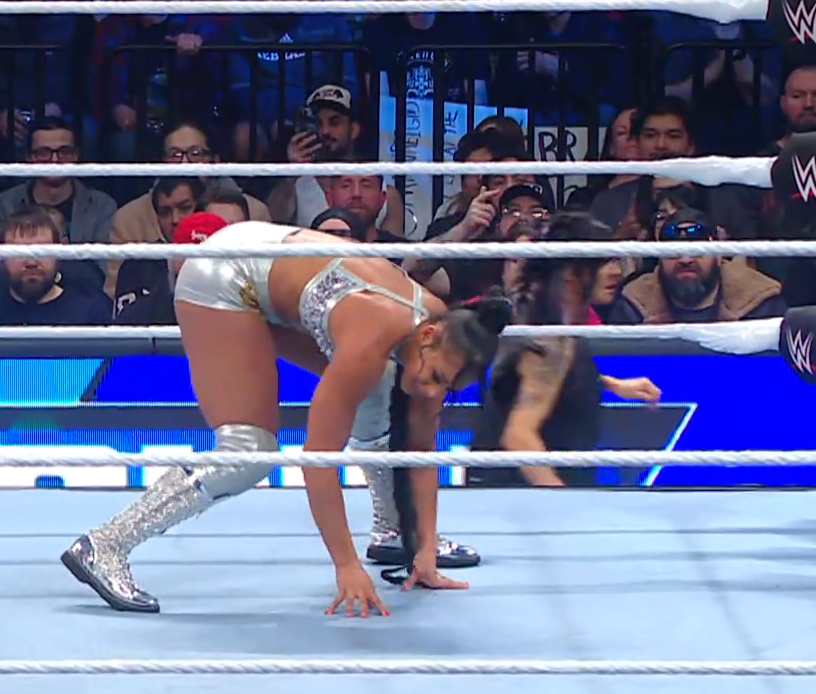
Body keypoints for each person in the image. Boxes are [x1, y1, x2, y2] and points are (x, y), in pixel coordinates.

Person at [62, 220, 510, 618]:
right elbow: (317, 459)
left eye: (445, 387)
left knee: (383, 391)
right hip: (225, 274)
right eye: (434, 378)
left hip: (274, 276)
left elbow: (420, 451)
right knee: (250, 450)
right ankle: (106, 543)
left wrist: (424, 549)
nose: (431, 391)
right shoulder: (373, 337)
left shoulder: (445, 337)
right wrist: (346, 566)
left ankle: (395, 532)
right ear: (427, 336)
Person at [470, 212, 661, 487]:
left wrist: (609, 384)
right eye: (602, 263)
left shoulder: (542, 317)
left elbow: (533, 380)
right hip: (519, 496)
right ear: (573, 274)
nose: (616, 272)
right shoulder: (549, 338)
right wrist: (563, 500)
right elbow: (519, 436)